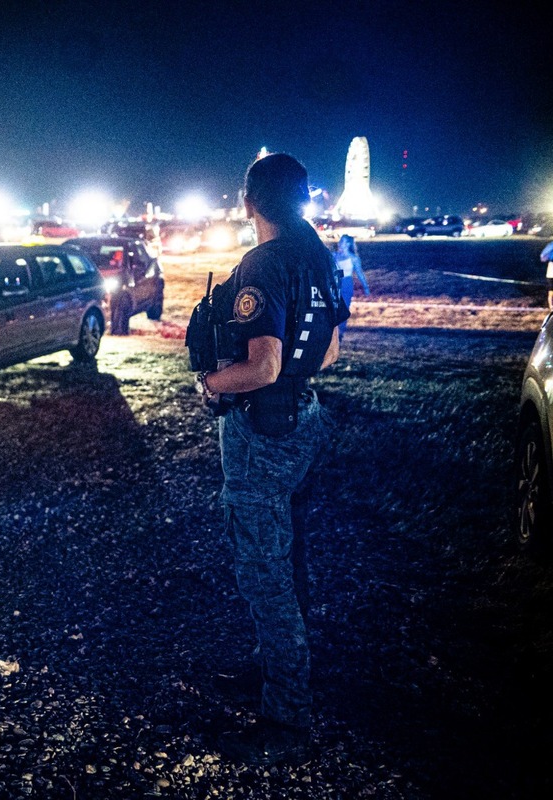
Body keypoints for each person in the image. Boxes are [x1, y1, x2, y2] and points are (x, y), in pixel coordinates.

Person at [194, 153, 349, 766]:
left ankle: (286, 717)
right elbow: (331, 351)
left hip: (264, 431)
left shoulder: (265, 262)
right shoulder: (319, 255)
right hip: (305, 420)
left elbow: (262, 366)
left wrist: (211, 385)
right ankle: (274, 667)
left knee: (266, 572)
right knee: (291, 558)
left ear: (250, 200)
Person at [333, 234, 369, 339]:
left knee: (343, 308)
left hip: (346, 284)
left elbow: (359, 273)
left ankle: (340, 333)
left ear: (348, 244)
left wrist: (365, 287)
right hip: (335, 284)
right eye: (340, 241)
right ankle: (333, 332)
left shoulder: (353, 258)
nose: (339, 243)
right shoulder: (334, 255)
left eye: (342, 241)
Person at [541, 239, 553, 309]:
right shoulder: (551, 245)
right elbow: (543, 257)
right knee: (551, 291)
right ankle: (551, 307)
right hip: (551, 272)